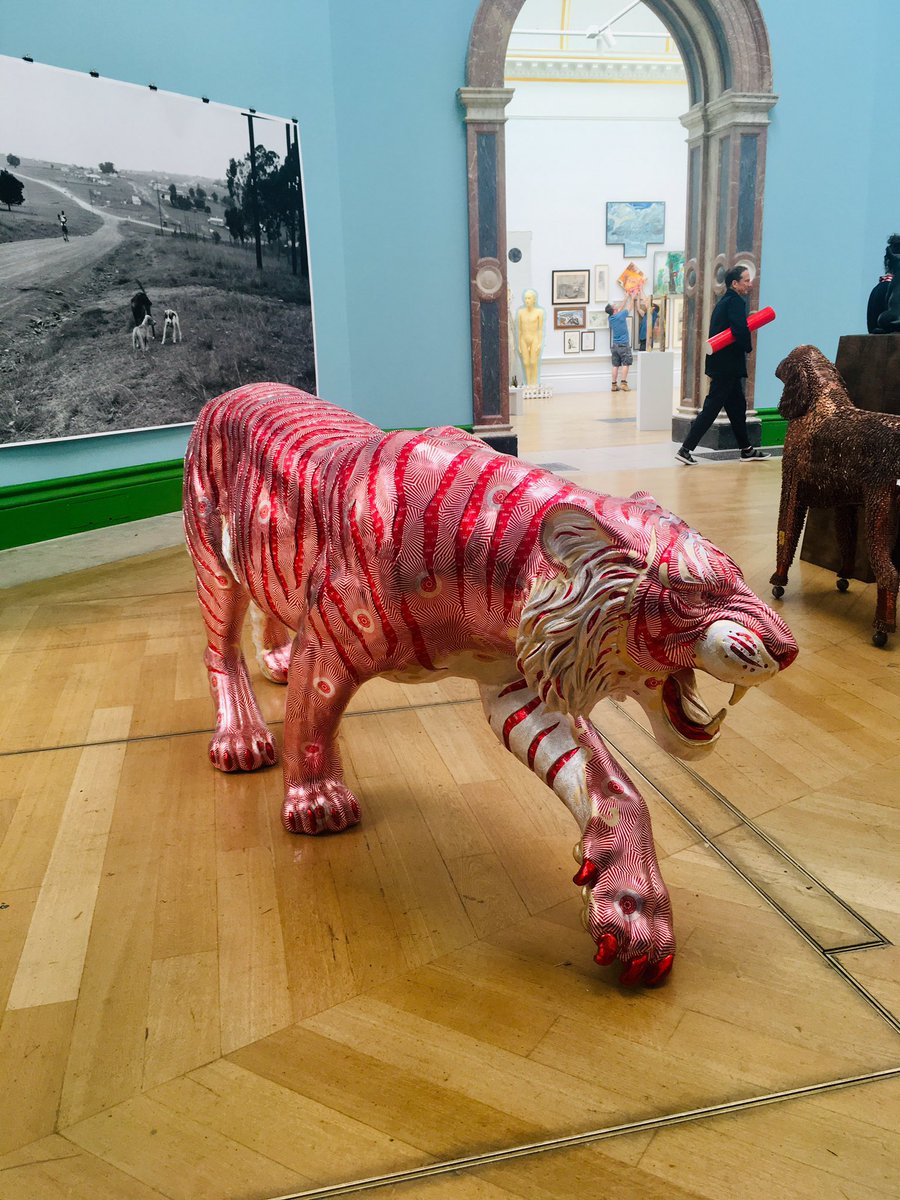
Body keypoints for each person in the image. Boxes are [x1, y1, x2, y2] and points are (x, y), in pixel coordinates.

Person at [675, 264, 770, 464]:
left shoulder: (725, 301)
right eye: (746, 280)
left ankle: (746, 450)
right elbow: (739, 329)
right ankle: (685, 449)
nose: (749, 284)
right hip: (727, 366)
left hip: (724, 365)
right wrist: (748, 347)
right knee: (712, 408)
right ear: (734, 284)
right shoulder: (735, 301)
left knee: (737, 407)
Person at [516, 289, 545, 386]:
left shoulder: (539, 312)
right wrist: (519, 344)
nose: (527, 300)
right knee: (526, 363)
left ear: (534, 300)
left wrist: (540, 343)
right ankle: (528, 384)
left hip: (534, 339)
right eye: (525, 298)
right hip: (524, 339)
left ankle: (535, 384)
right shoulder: (520, 312)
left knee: (533, 362)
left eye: (529, 298)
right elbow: (519, 330)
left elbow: (540, 329)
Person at [605, 297, 633, 391]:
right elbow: (630, 307)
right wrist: (632, 298)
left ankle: (614, 385)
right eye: (613, 306)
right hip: (624, 345)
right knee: (626, 363)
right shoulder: (621, 315)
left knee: (615, 365)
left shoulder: (611, 318)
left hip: (615, 346)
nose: (615, 305)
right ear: (614, 310)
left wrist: (625, 297)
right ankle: (624, 384)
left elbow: (620, 308)